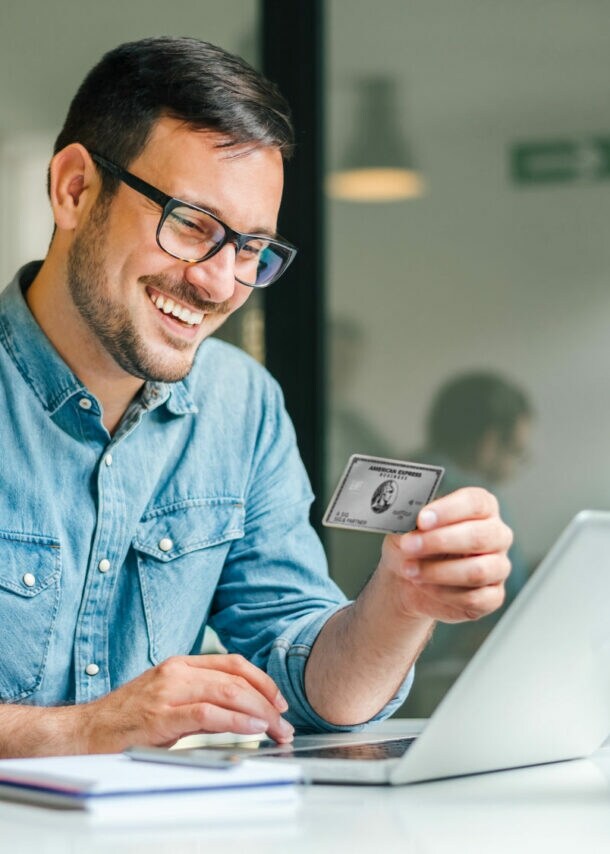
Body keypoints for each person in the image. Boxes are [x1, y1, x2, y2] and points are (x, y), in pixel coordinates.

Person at [0, 37, 512, 758]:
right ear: (75, 189)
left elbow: (307, 684)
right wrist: (85, 730)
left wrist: (403, 600)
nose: (217, 283)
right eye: (190, 224)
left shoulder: (242, 407)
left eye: (249, 249)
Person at [404, 371, 533, 715]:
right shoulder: (479, 499)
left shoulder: (402, 474)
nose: (517, 465)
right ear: (489, 441)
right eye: (518, 451)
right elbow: (507, 605)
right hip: (443, 679)